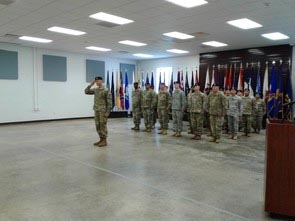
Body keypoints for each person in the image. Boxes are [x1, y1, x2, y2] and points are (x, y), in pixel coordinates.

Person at [84, 76, 112, 147]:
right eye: (95, 81)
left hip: (103, 111)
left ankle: (104, 141)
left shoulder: (106, 90)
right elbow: (86, 92)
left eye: (98, 81)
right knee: (97, 125)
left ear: (101, 81)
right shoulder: (96, 90)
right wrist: (91, 84)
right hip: (96, 110)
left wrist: (107, 112)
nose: (96, 82)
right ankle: (101, 139)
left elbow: (109, 103)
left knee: (103, 125)